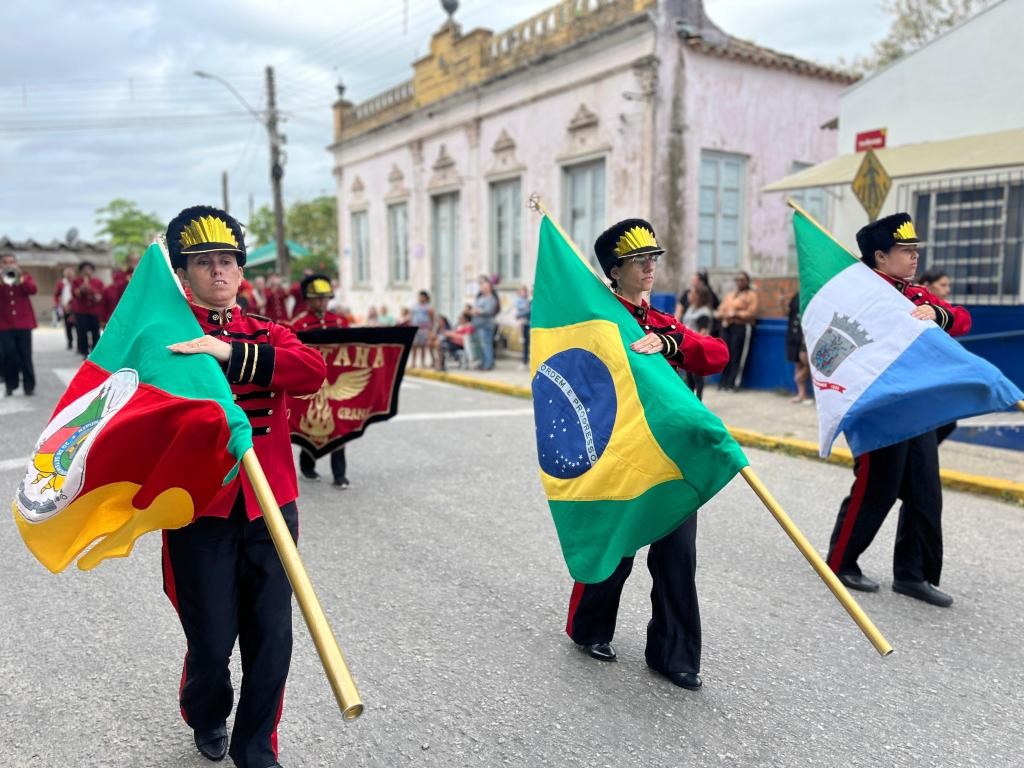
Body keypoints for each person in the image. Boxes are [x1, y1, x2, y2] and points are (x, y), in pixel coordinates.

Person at [161, 205, 326, 768]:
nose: (217, 271)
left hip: (271, 503)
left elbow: (310, 372)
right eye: (203, 262)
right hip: (199, 507)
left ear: (241, 271)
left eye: (227, 260)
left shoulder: (268, 333)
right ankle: (207, 712)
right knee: (210, 639)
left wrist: (229, 353)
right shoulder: (166, 337)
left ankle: (257, 747)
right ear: (182, 275)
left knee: (271, 637)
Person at [565, 218, 729, 692]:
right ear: (614, 271)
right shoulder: (601, 320)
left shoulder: (663, 322)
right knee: (616, 543)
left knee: (678, 556)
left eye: (652, 258)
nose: (649, 267)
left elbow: (715, 354)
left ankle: (673, 653)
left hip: (672, 455)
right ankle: (589, 628)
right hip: (621, 449)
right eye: (638, 261)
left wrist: (671, 343)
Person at [826, 212, 971, 609]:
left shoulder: (917, 295)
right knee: (878, 487)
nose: (914, 257)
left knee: (925, 491)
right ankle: (841, 561)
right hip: (879, 408)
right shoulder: (858, 297)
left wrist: (939, 315)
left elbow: (962, 319)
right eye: (905, 250)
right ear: (879, 256)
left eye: (915, 250)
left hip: (917, 407)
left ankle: (913, 574)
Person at [289, 273, 351, 489]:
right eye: (318, 298)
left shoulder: (341, 322)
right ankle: (307, 466)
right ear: (309, 299)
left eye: (326, 298)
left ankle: (340, 473)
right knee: (310, 426)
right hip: (311, 385)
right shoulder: (299, 324)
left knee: (339, 427)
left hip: (334, 383)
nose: (323, 302)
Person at [0, 252, 38, 397]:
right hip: (4, 324)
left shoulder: (25, 277)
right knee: (9, 355)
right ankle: (11, 384)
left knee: (25, 355)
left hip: (24, 323)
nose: (9, 265)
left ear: (16, 264)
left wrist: (20, 277)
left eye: (11, 262)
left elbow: (32, 289)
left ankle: (29, 386)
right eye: (5, 262)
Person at [715, 271, 757, 390]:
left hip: (740, 326)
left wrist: (736, 314)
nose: (739, 282)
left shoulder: (751, 295)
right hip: (727, 326)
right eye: (737, 280)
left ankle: (733, 383)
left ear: (747, 281)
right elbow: (720, 310)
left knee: (736, 355)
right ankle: (723, 382)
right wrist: (724, 314)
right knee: (725, 355)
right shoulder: (731, 295)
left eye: (742, 280)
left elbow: (752, 312)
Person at [680, 284, 715, 400]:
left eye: (692, 292)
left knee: (697, 378)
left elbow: (702, 333)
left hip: (696, 348)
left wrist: (695, 345)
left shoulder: (703, 312)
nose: (689, 295)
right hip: (687, 347)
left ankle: (698, 402)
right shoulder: (691, 308)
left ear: (698, 296)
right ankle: (691, 403)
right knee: (688, 378)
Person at [71, 261, 104, 356]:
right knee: (82, 332)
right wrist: (82, 287)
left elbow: (100, 296)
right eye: (84, 269)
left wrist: (90, 288)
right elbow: (75, 293)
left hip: (94, 311)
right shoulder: (76, 281)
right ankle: (84, 352)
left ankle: (95, 353)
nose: (87, 271)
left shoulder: (98, 282)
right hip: (81, 311)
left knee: (95, 332)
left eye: (89, 269)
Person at [785, 291, 810, 404]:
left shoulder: (811, 294)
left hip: (806, 335)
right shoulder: (796, 295)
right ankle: (801, 394)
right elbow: (788, 313)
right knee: (797, 362)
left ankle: (800, 381)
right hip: (794, 334)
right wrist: (782, 301)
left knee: (808, 362)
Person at [471, 275, 500, 370]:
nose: (483, 289)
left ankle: (488, 364)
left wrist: (478, 311)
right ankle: (483, 363)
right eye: (482, 287)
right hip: (478, 326)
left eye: (485, 287)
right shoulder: (480, 298)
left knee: (486, 345)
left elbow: (489, 311)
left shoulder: (491, 298)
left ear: (490, 288)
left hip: (486, 325)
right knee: (481, 346)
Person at [409, 290, 435, 369]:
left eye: (422, 296)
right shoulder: (415, 306)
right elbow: (411, 317)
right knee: (414, 345)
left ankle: (422, 362)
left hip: (424, 328)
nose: (420, 298)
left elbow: (432, 318)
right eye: (419, 296)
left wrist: (430, 329)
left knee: (423, 346)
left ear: (426, 297)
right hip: (416, 327)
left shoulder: (428, 307)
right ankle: (413, 362)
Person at [54, 266, 76, 350]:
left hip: (74, 307)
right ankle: (70, 341)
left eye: (71, 273)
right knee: (68, 326)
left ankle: (80, 344)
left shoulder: (76, 282)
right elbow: (56, 295)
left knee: (78, 326)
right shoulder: (61, 283)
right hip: (64, 307)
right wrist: (59, 305)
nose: (69, 275)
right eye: (68, 273)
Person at [514, 285, 531, 371]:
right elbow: (520, 308)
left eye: (524, 291)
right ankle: (524, 362)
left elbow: (528, 310)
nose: (523, 293)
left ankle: (526, 361)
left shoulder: (528, 300)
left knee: (527, 343)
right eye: (521, 292)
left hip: (527, 323)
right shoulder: (519, 300)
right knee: (525, 343)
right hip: (523, 322)